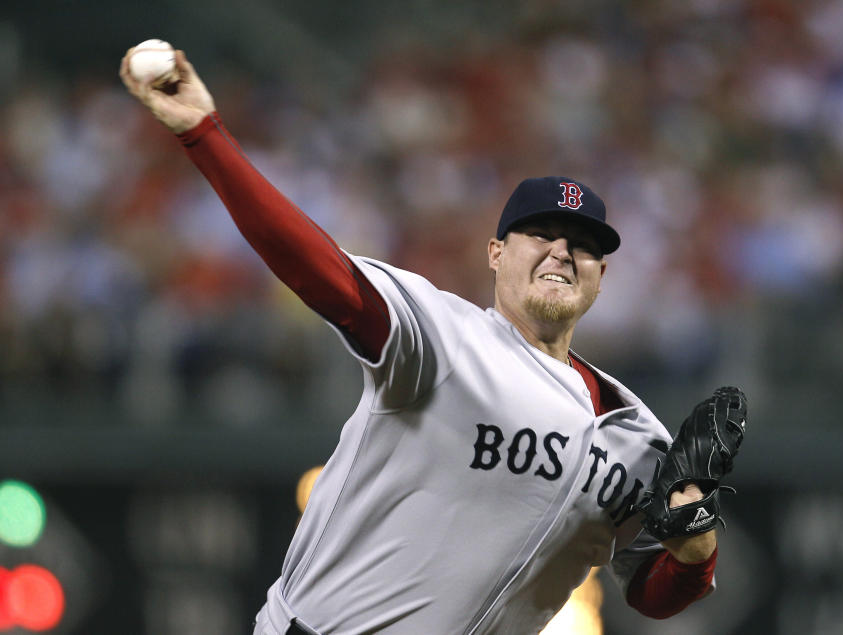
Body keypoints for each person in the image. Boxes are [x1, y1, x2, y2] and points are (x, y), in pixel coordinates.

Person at [121, 47, 733, 635]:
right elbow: (317, 268)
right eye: (538, 233)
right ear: (495, 255)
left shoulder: (642, 441)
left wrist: (694, 544)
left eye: (583, 245)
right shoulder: (442, 339)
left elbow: (653, 595)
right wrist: (205, 134)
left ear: (601, 275)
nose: (561, 251)